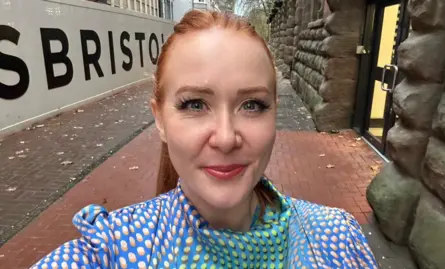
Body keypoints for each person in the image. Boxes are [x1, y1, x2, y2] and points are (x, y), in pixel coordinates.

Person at [30, 10, 378, 268]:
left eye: (252, 104)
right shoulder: (112, 250)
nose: (226, 138)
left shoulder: (337, 239)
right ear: (160, 119)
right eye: (195, 104)